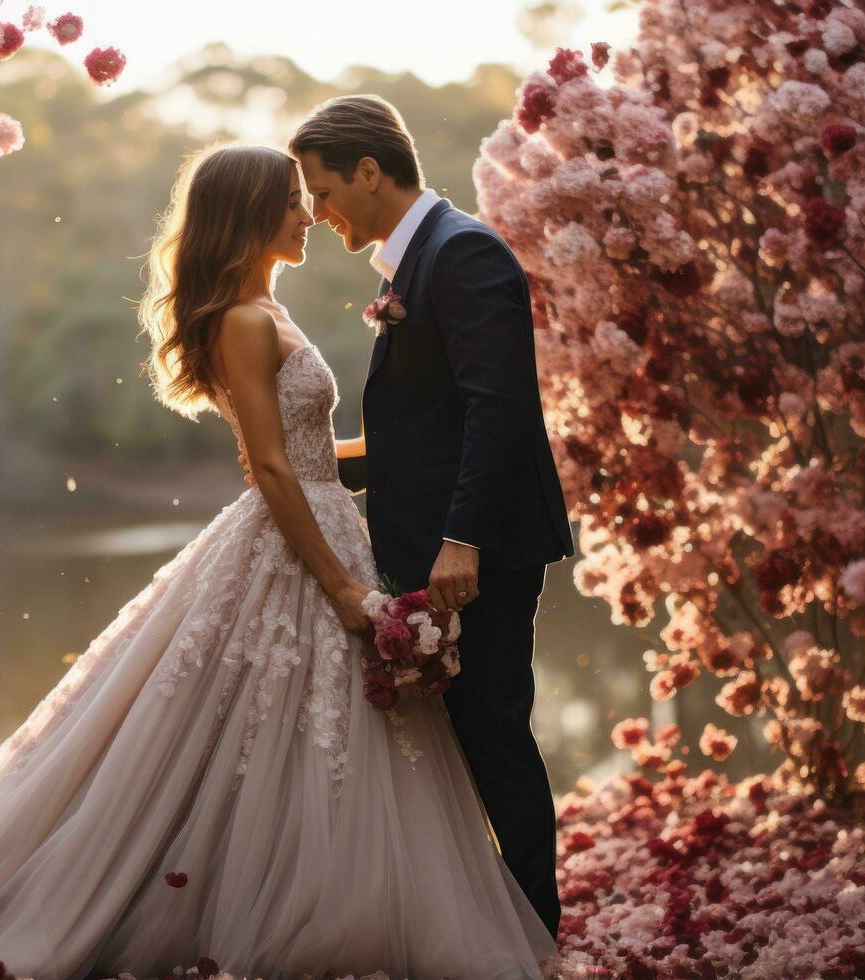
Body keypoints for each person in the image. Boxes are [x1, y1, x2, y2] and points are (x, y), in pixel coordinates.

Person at [0, 143, 558, 980]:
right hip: (300, 544)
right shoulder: (241, 319)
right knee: (260, 720)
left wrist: (421, 461)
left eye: (311, 196)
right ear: (249, 213)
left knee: (319, 728)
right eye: (291, 200)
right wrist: (345, 586)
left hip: (333, 519)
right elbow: (271, 467)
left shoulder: (268, 308)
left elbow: (308, 453)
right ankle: (245, 904)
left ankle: (325, 894)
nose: (307, 212)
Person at [288, 95, 575, 938]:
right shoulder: (415, 265)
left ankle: (535, 933)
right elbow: (428, 432)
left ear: (367, 172)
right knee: (464, 743)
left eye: (321, 189)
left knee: (493, 740)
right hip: (436, 547)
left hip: (473, 554)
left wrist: (462, 542)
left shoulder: (463, 253)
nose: (316, 212)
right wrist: (310, 468)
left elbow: (500, 411)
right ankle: (494, 925)